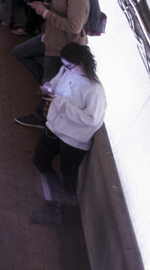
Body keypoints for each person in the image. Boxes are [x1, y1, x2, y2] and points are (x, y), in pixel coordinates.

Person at [32, 44, 107, 223]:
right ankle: (54, 200)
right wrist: (48, 88)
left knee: (69, 180)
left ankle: (65, 215)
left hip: (73, 142)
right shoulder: (66, 71)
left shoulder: (95, 90)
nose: (64, 69)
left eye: (68, 66)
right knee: (40, 160)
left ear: (81, 63)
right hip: (54, 128)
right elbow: (56, 83)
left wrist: (60, 103)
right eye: (64, 65)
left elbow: (92, 119)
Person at [15, 0, 91, 123]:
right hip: (50, 39)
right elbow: (62, 9)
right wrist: (45, 6)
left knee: (48, 87)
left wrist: (46, 14)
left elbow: (74, 26)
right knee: (20, 52)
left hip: (61, 48)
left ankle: (41, 117)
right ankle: (48, 81)